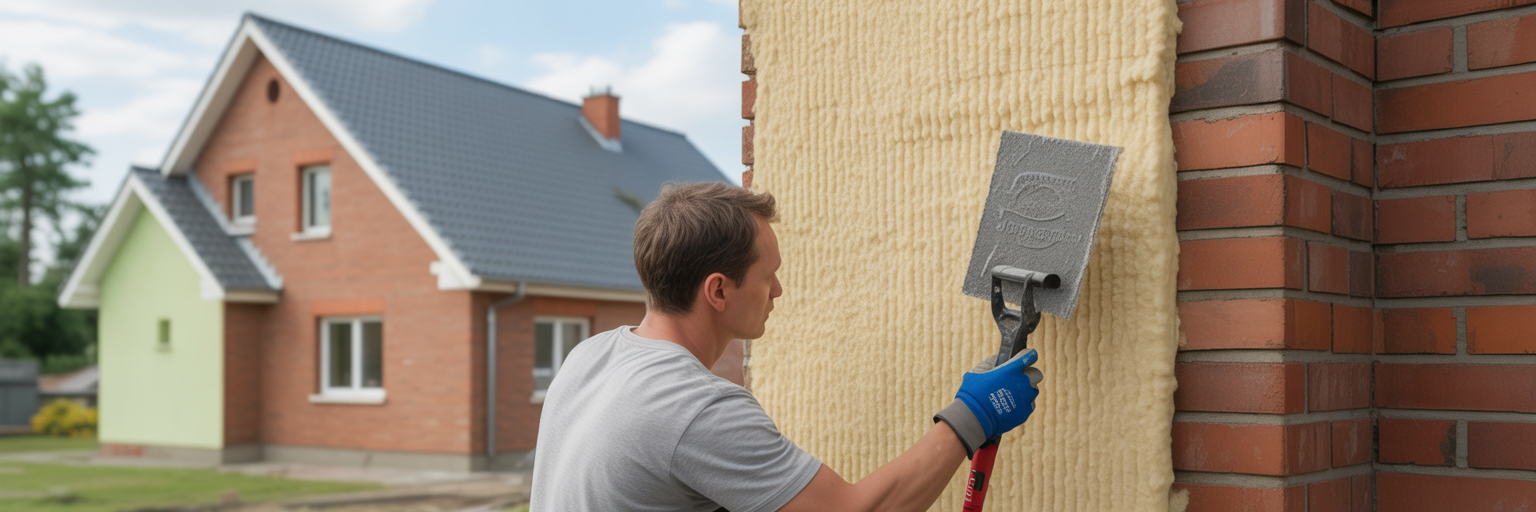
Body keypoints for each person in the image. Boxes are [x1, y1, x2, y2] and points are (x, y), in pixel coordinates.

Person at [529, 182, 1042, 512]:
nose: (778, 291)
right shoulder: (696, 410)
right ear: (718, 290)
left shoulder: (590, 357)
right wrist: (973, 414)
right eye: (767, 276)